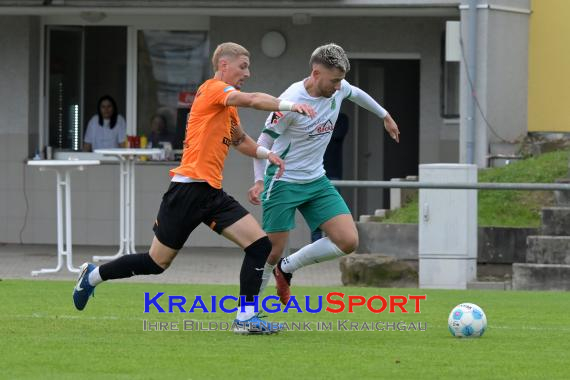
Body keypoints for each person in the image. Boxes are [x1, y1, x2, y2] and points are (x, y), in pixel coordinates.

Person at [72, 42, 315, 334]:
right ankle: (92, 275)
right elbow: (251, 99)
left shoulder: (228, 109)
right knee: (156, 263)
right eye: (243, 66)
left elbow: (240, 141)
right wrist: (289, 105)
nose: (247, 73)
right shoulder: (213, 89)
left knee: (260, 245)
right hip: (186, 190)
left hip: (211, 194)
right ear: (223, 65)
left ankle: (246, 318)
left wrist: (267, 155)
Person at [248, 43, 400, 304]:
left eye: (342, 80)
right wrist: (259, 180)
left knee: (348, 240)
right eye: (335, 80)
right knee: (271, 251)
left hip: (316, 180)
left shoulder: (338, 90)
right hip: (282, 181)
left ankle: (287, 268)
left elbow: (356, 93)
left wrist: (384, 115)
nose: (339, 87)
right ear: (316, 73)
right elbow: (263, 142)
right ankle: (248, 312)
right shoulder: (291, 100)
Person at [311, 112, 349, 242]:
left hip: (332, 172)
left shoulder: (341, 118)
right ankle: (315, 245)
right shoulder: (315, 116)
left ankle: (332, 244)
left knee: (333, 212)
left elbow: (336, 135)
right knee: (314, 210)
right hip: (313, 172)